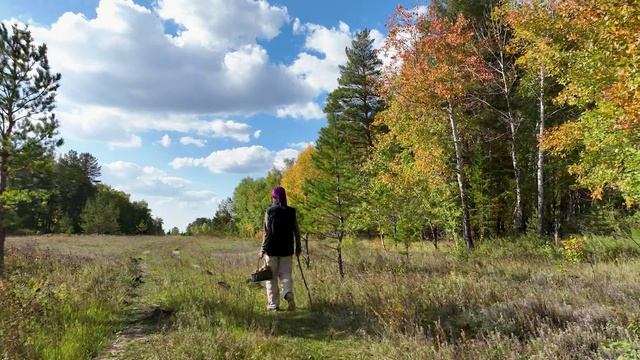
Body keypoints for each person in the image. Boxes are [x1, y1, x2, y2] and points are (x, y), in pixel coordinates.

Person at [259, 186, 301, 311]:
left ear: (274, 197)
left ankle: (273, 305)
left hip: (271, 250)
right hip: (287, 250)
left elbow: (266, 233)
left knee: (271, 278)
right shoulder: (291, 211)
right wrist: (298, 247)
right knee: (286, 275)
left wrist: (262, 250)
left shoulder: (270, 211)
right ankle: (288, 294)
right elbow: (296, 231)